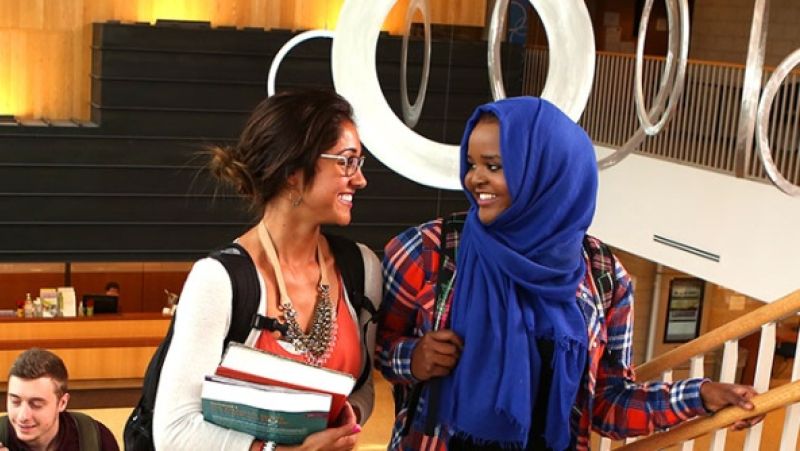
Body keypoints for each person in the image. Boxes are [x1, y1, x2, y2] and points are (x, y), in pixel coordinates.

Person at [377, 96, 764, 451]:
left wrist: (703, 396)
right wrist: (412, 358)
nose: (474, 179)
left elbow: (609, 403)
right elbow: (379, 349)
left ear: (547, 173)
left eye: (493, 166)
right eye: (472, 164)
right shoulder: (426, 252)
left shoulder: (604, 277)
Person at [152, 89, 381, 451]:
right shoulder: (219, 280)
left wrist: (346, 418)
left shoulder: (362, 269)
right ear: (293, 171)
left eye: (359, 163)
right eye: (346, 162)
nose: (359, 179)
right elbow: (174, 433)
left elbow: (362, 387)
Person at [0, 348, 119, 451]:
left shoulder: (96, 439)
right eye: (15, 402)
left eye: (36, 404)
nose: (23, 416)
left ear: (62, 403)